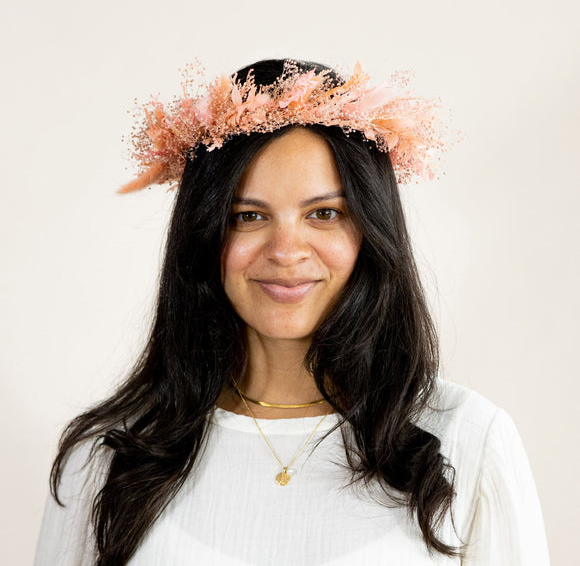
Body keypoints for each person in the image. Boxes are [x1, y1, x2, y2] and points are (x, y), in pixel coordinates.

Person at [34, 58, 550, 566]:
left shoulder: (468, 438)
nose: (286, 251)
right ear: (203, 235)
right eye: (248, 216)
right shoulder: (111, 452)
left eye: (323, 214)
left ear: (372, 232)